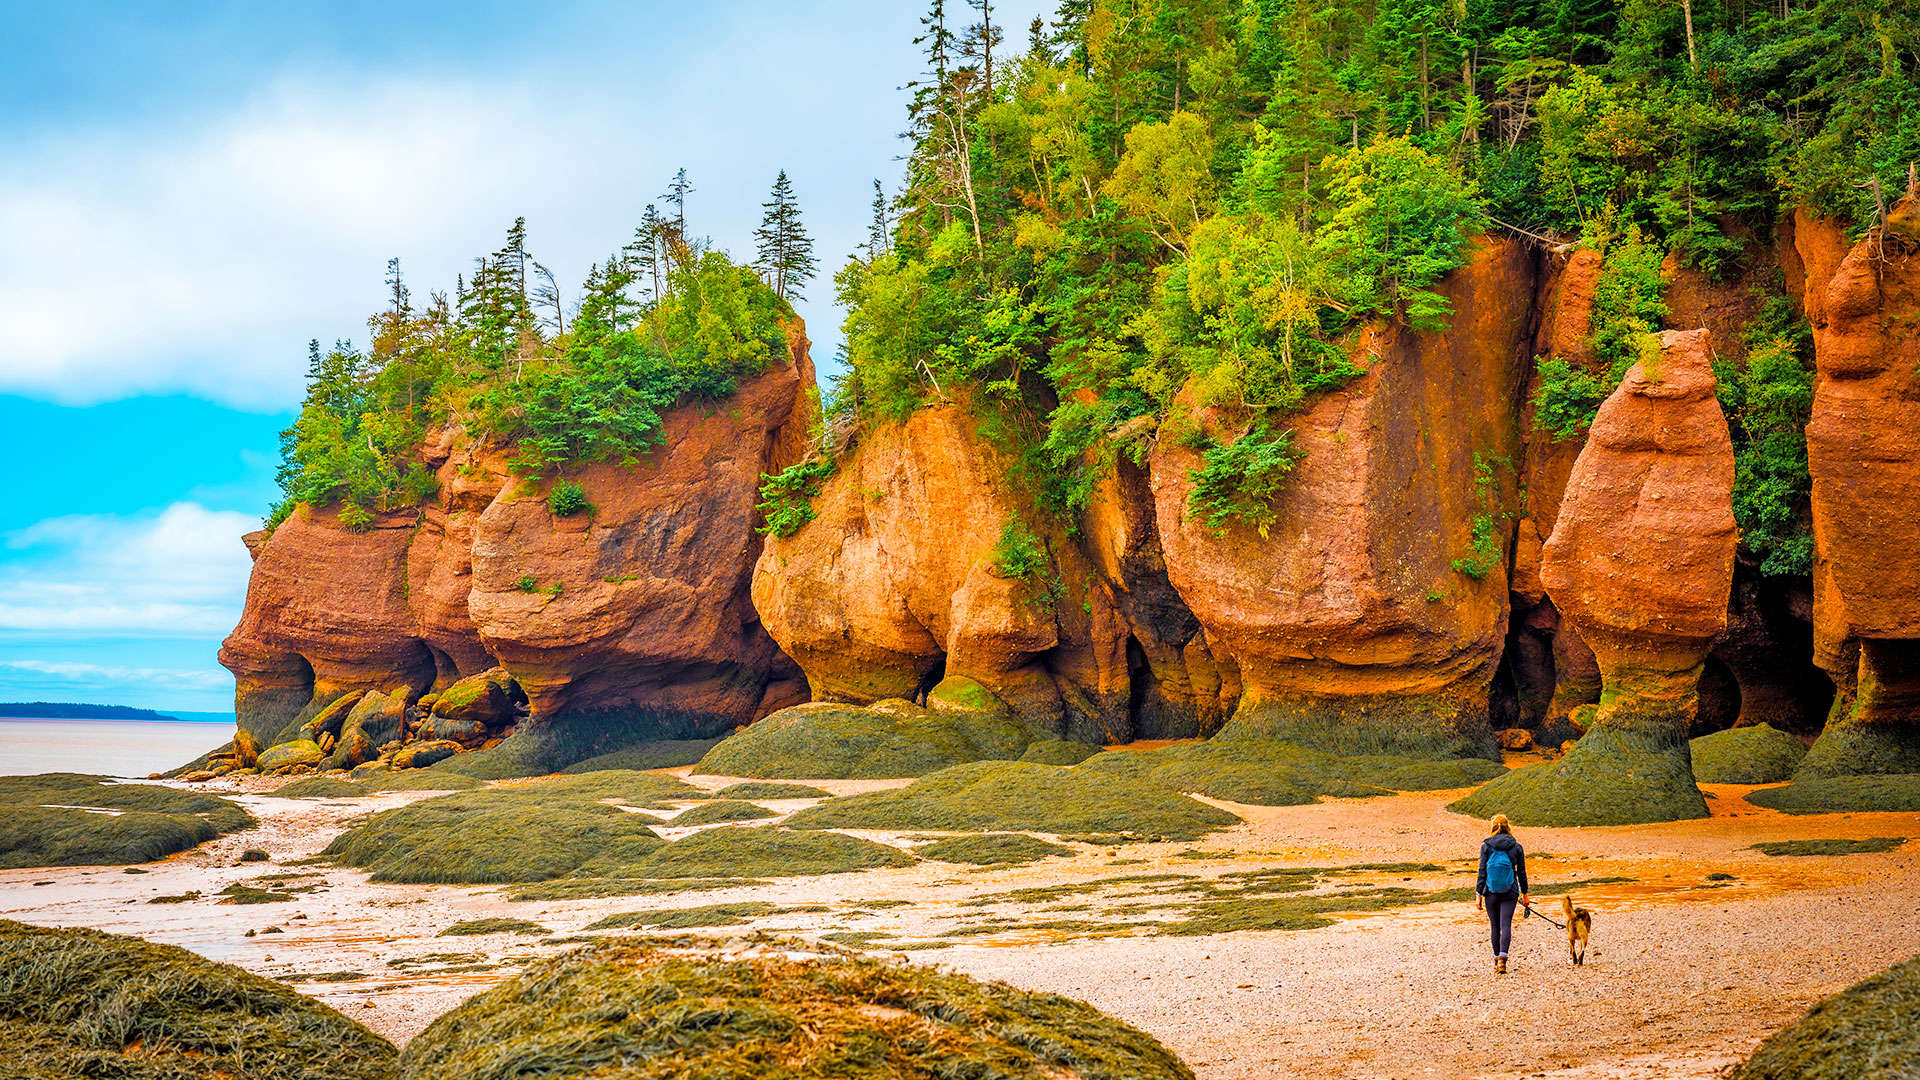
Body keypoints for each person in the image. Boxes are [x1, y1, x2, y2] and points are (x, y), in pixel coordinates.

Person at [1475, 813, 1530, 974]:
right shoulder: (1516, 846)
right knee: (1506, 924)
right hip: (1510, 891)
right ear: (1508, 827)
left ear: (1493, 827)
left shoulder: (1486, 846)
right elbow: (1522, 873)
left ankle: (1495, 958)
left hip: (1490, 892)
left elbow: (1482, 872)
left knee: (1495, 926)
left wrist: (1479, 895)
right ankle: (1502, 961)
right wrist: (1525, 894)